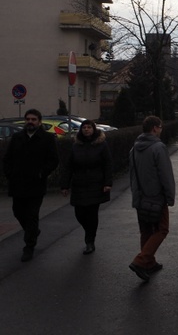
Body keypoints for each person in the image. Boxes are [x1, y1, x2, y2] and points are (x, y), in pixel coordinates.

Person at [2, 109, 59, 262]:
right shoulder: (17, 137)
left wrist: (42, 173)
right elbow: (7, 158)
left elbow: (53, 160)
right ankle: (32, 231)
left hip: (36, 184)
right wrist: (10, 174)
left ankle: (29, 246)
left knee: (32, 214)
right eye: (28, 119)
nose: (30, 122)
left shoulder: (46, 138)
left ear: (39, 122)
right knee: (18, 212)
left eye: (34, 119)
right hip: (18, 183)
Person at [128, 116, 176, 281]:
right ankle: (140, 261)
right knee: (162, 229)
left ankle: (149, 263)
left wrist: (136, 197)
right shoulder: (158, 147)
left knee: (146, 230)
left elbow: (132, 175)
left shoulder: (134, 148)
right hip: (156, 197)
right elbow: (166, 174)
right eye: (160, 127)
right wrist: (170, 197)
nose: (161, 130)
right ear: (155, 128)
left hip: (140, 197)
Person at [60, 119, 113, 255]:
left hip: (96, 184)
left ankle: (90, 241)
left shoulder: (101, 145)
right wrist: (65, 185)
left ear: (93, 129)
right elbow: (69, 166)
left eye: (89, 127)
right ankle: (88, 231)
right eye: (84, 127)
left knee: (92, 213)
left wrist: (107, 183)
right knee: (79, 213)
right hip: (79, 184)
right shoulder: (76, 146)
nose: (86, 130)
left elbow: (107, 164)